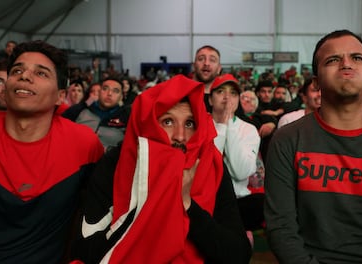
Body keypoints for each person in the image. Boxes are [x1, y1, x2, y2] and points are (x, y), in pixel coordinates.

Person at [69, 74, 252, 263]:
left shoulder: (210, 164)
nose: (180, 136)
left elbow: (238, 254)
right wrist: (153, 197)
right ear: (149, 124)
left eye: (190, 124)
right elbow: (85, 250)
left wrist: (187, 205)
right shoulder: (118, 163)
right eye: (168, 122)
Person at [264, 29, 362, 263]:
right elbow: (281, 229)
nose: (346, 64)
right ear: (316, 82)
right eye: (333, 60)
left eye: (357, 58)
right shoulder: (287, 140)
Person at [0, 40, 104, 263]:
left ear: (60, 96)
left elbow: (100, 212)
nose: (25, 76)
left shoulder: (83, 143)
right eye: (17, 70)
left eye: (41, 73)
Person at [209, 74, 264, 231]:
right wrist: (221, 127)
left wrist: (229, 125)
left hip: (238, 200)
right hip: (207, 199)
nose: (227, 97)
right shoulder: (201, 125)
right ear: (210, 100)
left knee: (260, 203)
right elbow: (210, 169)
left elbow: (241, 173)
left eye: (233, 93)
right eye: (221, 91)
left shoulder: (248, 129)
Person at [62, 77, 130, 151]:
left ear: (121, 97)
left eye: (115, 91)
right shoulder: (80, 110)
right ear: (99, 92)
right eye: (105, 89)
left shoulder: (126, 117)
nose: (109, 93)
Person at [192, 45, 222, 111]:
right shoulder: (182, 94)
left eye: (212, 60)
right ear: (194, 66)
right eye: (201, 59)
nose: (206, 63)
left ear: (219, 69)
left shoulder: (226, 99)